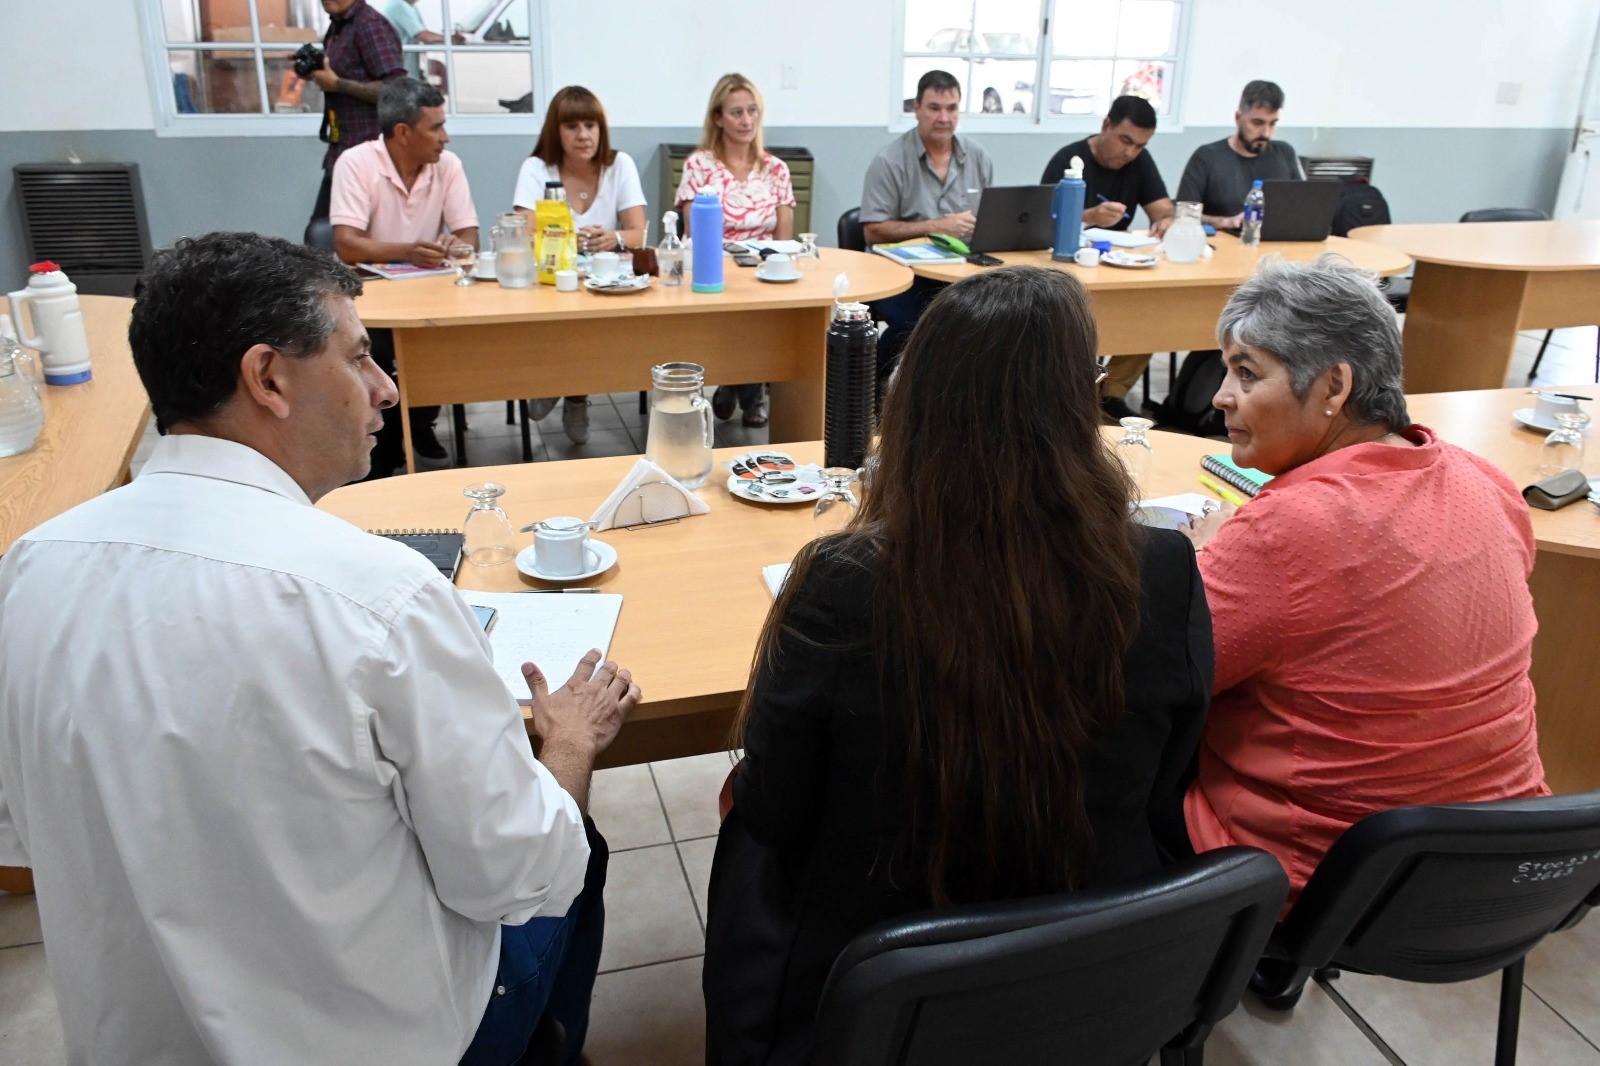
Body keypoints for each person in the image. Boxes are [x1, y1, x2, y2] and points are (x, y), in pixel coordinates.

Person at [0, 231, 642, 1064]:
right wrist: (566, 744)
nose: (386, 390)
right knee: (572, 850)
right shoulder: (381, 595)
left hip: (135, 1040)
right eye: (360, 357)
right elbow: (517, 875)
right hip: (383, 1044)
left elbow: (19, 833)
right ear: (267, 377)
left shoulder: (32, 568)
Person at [702, 265, 1212, 1063]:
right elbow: (1166, 781)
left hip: (884, 982)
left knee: (744, 828)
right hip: (1086, 966)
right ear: (1079, 406)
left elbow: (773, 808)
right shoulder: (1167, 569)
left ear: (912, 407)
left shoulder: (844, 585)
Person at [1179, 255, 1549, 926]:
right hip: (1508, 869)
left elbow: (1168, 674)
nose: (1219, 397)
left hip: (1334, 888)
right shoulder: (1483, 479)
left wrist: (1198, 560)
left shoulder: (1285, 531)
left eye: (1246, 372)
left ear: (1334, 386)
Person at [330, 76, 477, 468]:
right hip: (369, 293)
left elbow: (468, 233)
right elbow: (347, 243)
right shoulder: (356, 162)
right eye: (436, 127)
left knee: (455, 344)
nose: (445, 137)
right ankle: (385, 444)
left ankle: (418, 421)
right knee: (372, 351)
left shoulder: (447, 165)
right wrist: (408, 251)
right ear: (402, 132)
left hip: (430, 288)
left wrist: (453, 245)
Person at [515, 85, 648, 445]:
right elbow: (526, 233)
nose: (584, 135)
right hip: (552, 283)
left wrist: (614, 238)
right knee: (565, 313)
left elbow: (638, 232)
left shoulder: (620, 165)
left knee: (597, 321)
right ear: (555, 132)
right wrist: (569, 243)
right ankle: (563, 385)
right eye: (572, 126)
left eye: (591, 125)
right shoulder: (537, 168)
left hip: (608, 284)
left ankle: (567, 389)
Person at [1040, 94, 1176, 422]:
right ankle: (1068, 395)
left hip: (1119, 268)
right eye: (1125, 140)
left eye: (1140, 146)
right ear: (1106, 126)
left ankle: (1110, 395)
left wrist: (1167, 220)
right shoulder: (1068, 159)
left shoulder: (1140, 163)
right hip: (1069, 272)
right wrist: (1088, 215)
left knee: (1159, 312)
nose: (1130, 152)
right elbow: (1042, 221)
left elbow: (1164, 208)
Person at [676, 73, 796, 429]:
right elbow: (691, 231)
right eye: (736, 113)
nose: (746, 121)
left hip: (760, 267)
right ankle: (749, 389)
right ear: (718, 118)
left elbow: (783, 239)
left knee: (767, 307)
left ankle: (738, 382)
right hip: (715, 266)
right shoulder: (699, 165)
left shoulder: (774, 168)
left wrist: (771, 264)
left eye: (752, 111)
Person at [859, 69, 994, 379]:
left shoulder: (977, 157)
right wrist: (936, 226)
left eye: (952, 108)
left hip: (961, 270)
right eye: (934, 108)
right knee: (922, 320)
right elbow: (873, 230)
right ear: (916, 108)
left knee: (994, 316)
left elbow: (989, 220)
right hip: (903, 273)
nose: (944, 117)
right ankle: (874, 384)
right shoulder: (890, 160)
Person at [308, 0, 406, 223]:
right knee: (321, 235)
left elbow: (395, 90)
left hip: (369, 155)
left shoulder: (370, 25)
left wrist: (338, 84)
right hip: (342, 149)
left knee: (335, 236)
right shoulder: (338, 26)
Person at [1176, 79, 1302, 231]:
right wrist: (1226, 222)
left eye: (1272, 124)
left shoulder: (1284, 153)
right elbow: (1183, 214)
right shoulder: (1207, 157)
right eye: (1257, 123)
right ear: (1238, 117)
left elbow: (1301, 208)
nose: (1266, 133)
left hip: (1275, 244)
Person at [378, 0, 454, 79]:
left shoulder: (411, 7)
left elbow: (426, 37)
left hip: (408, 71)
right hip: (403, 75)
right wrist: (451, 38)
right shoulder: (398, 4)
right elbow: (425, 36)